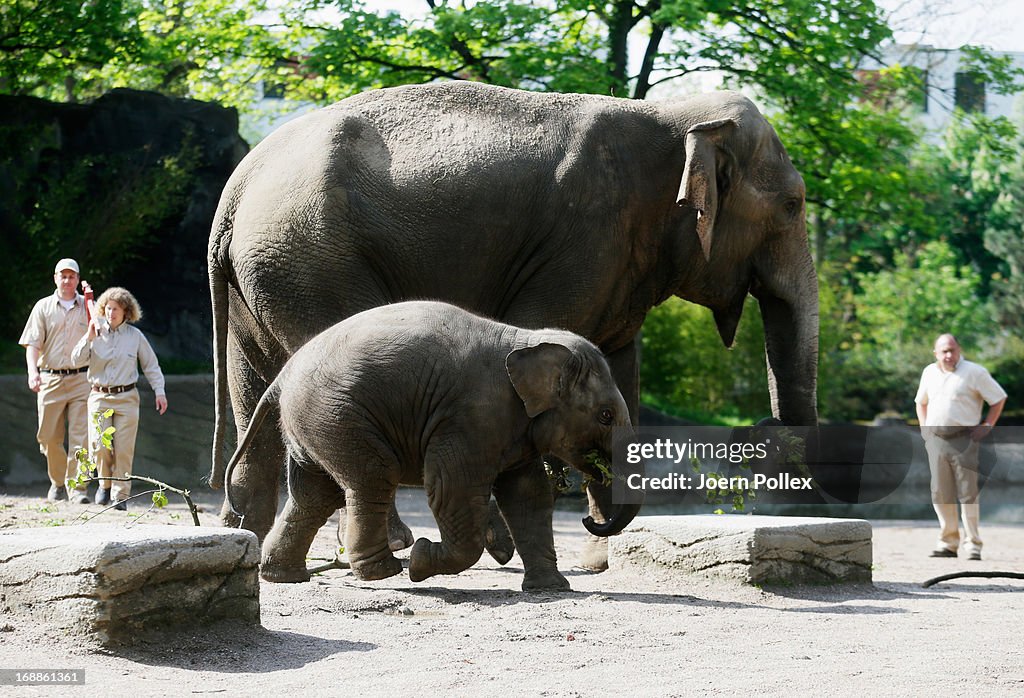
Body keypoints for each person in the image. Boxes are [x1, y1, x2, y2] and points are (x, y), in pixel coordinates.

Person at [71, 286, 168, 510]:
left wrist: (159, 391)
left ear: (126, 312)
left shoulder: (135, 336)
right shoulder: (95, 331)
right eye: (108, 308)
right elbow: (76, 361)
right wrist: (88, 337)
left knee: (124, 449)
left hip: (127, 397)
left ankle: (120, 494)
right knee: (99, 446)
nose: (111, 313)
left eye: (117, 309)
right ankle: (104, 485)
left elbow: (151, 365)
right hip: (99, 396)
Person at [915, 333, 1006, 561]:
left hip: (964, 439)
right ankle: (948, 542)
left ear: (959, 350)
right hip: (936, 440)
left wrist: (987, 425)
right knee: (940, 492)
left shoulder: (974, 372)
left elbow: (998, 398)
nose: (948, 355)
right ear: (935, 353)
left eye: (952, 350)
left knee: (968, 494)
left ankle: (973, 545)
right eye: (943, 351)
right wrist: (924, 429)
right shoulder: (929, 372)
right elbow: (920, 402)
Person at [19, 258, 92, 503]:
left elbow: (103, 338)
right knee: (48, 437)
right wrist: (33, 372)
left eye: (72, 276)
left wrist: (93, 302)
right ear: (55, 278)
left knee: (81, 437)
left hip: (82, 378)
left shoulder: (88, 306)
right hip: (50, 378)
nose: (67, 280)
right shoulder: (43, 307)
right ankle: (58, 482)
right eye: (63, 275)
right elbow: (32, 344)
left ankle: (78, 489)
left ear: (78, 279)